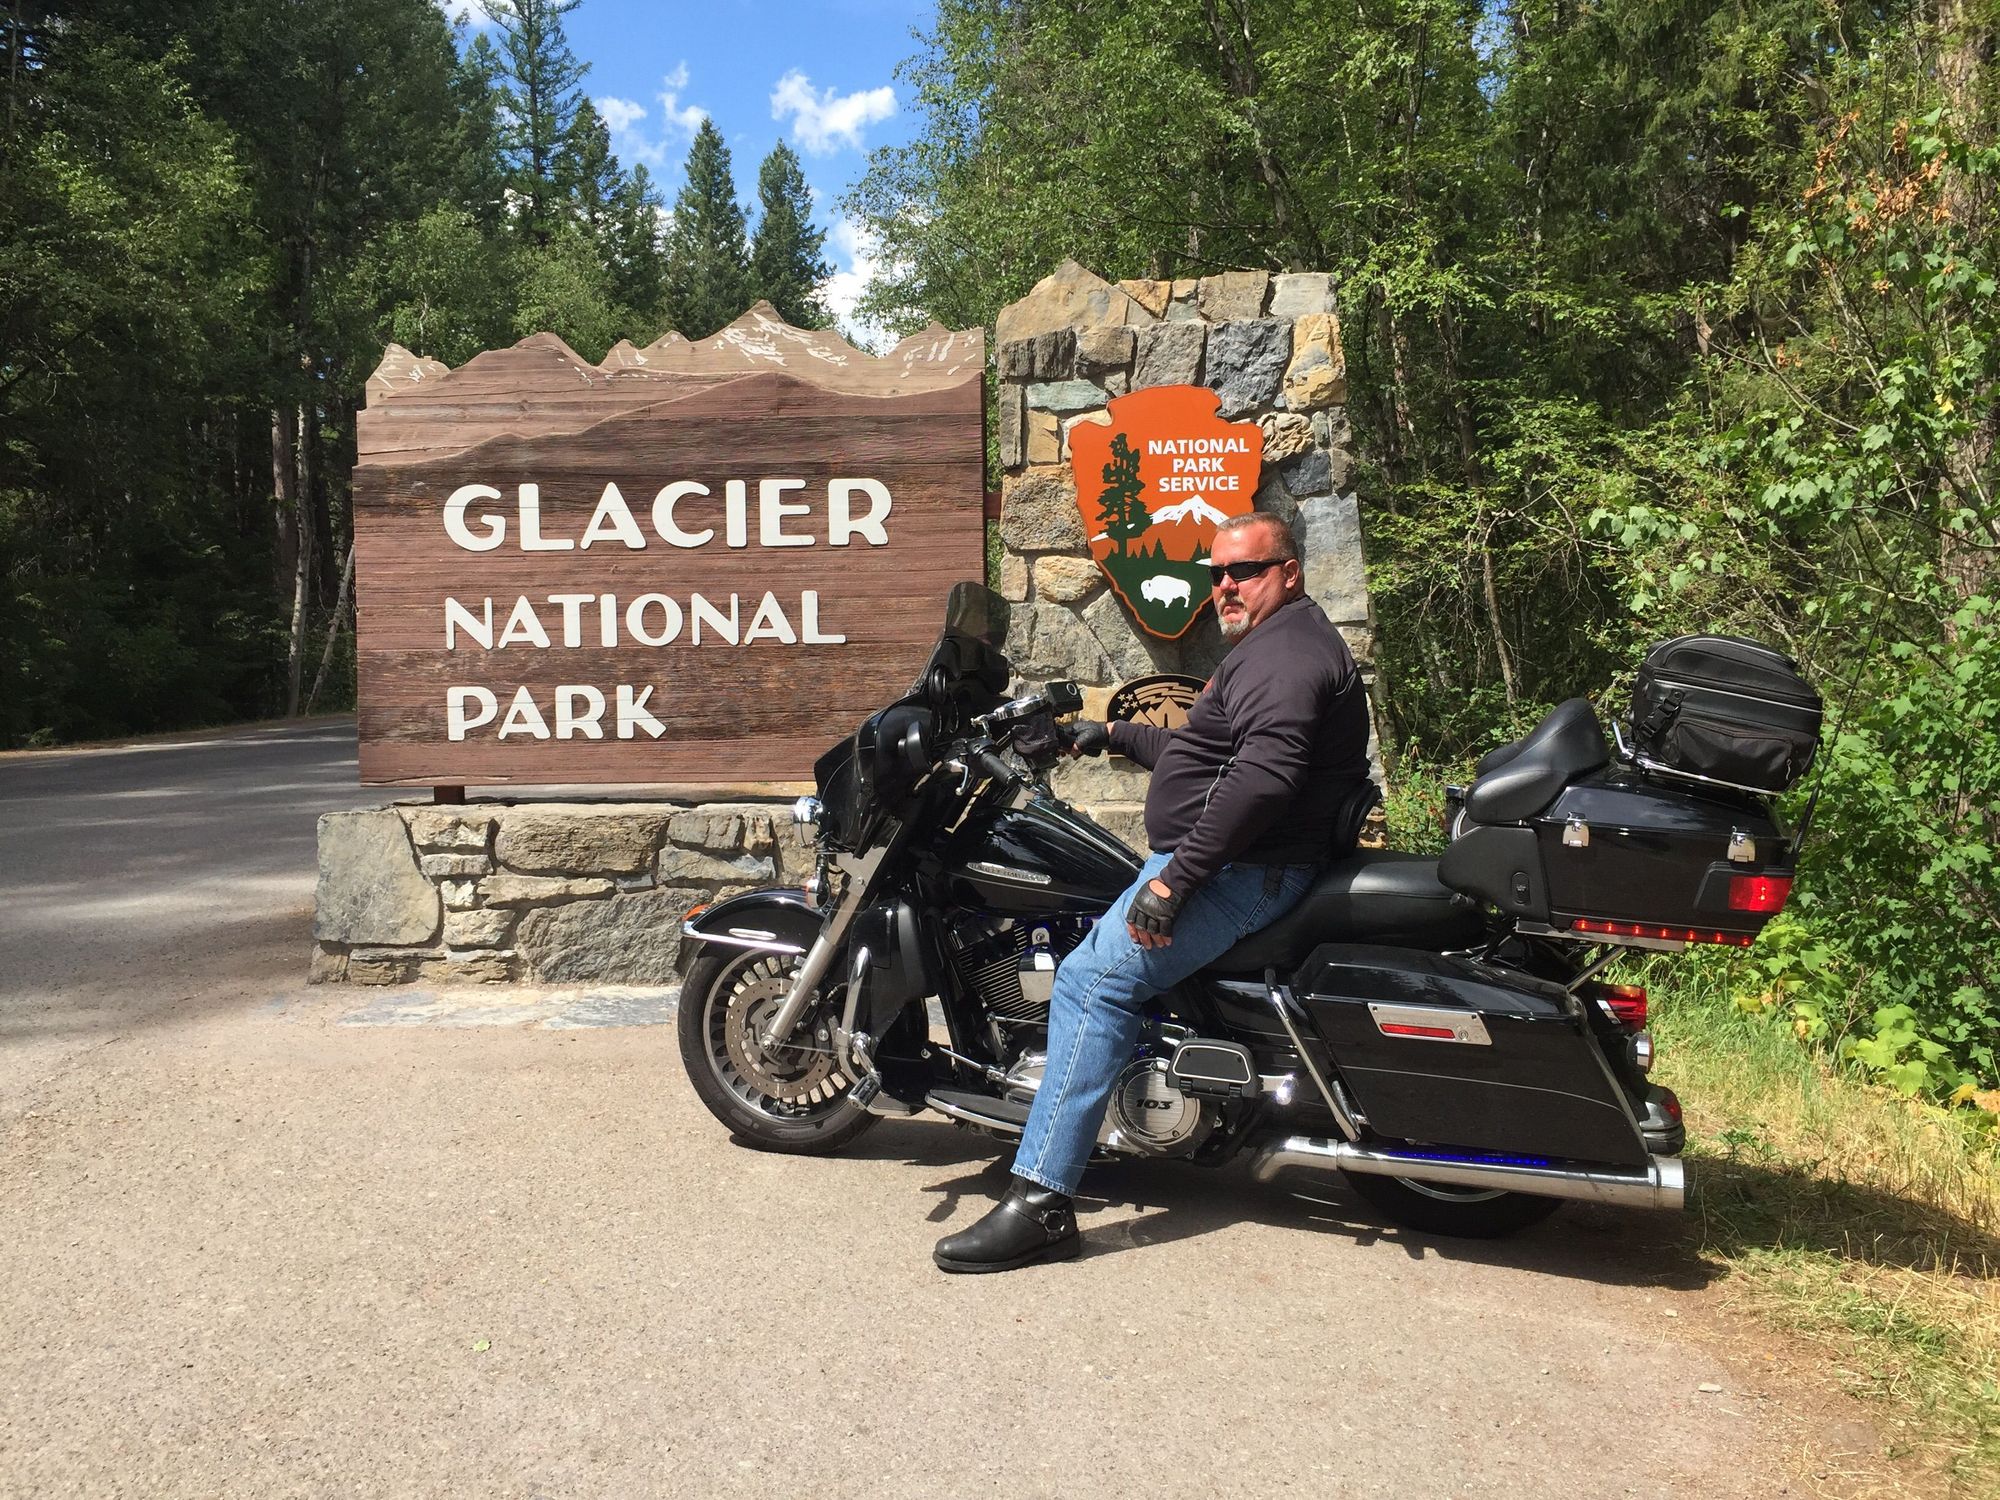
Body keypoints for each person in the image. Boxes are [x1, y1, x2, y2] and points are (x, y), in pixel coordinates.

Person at [933, 511, 1372, 1273]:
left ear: (1290, 572)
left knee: (1090, 983)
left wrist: (1175, 880)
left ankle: (1041, 1203)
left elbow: (1263, 781)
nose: (1226, 586)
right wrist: (1103, 735)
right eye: (1216, 573)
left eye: (1244, 571)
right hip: (1237, 860)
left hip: (1242, 869)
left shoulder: (1287, 656)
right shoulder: (1277, 643)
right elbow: (1205, 751)